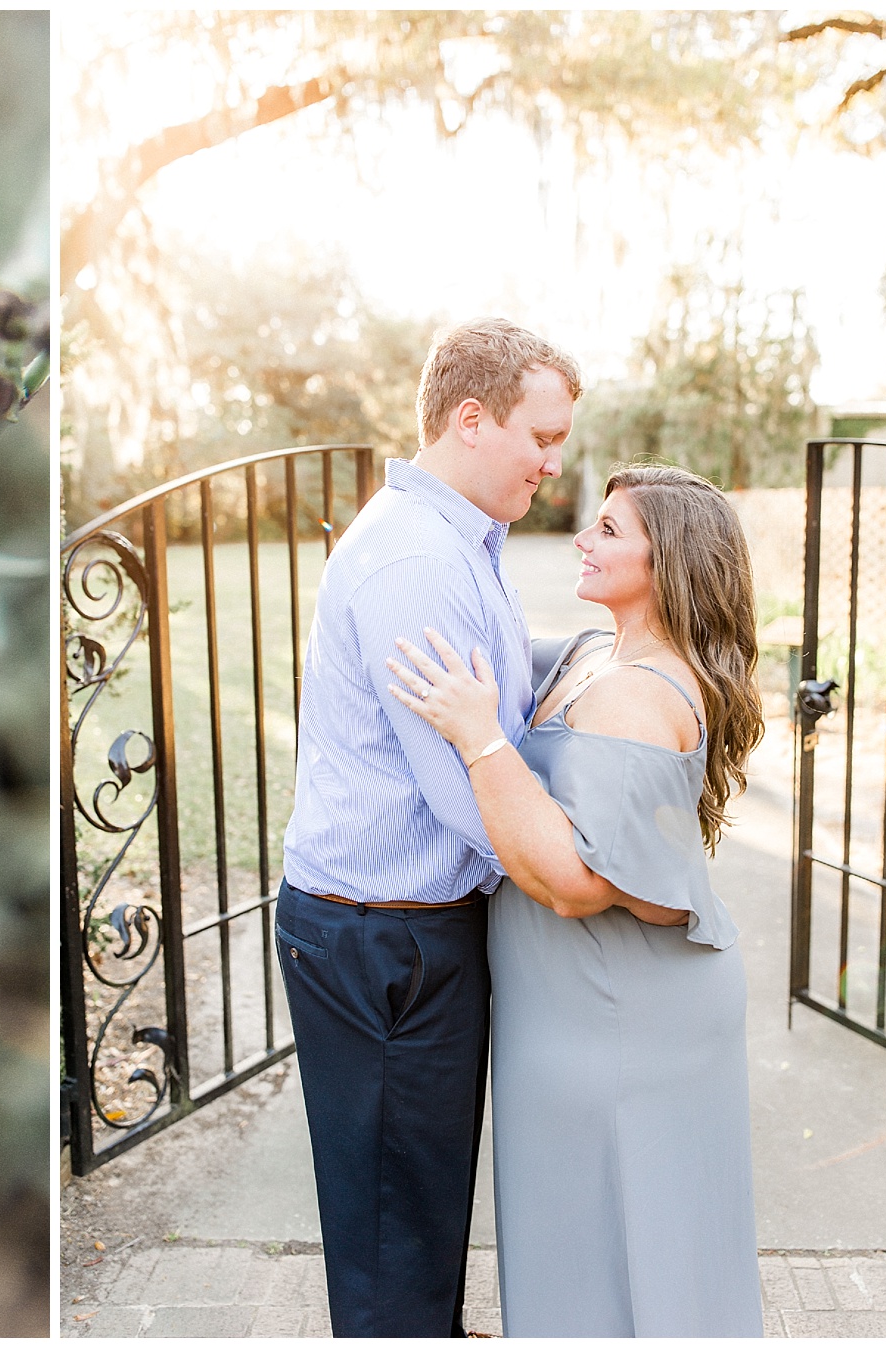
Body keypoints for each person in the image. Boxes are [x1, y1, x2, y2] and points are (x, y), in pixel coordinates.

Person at [387, 463, 765, 1337]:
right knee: (578, 1235)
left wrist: (479, 737)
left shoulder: (639, 692)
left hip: (620, 1022)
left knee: (624, 1242)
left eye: (607, 530)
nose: (580, 540)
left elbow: (573, 882)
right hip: (575, 1012)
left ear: (666, 560)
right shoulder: (601, 652)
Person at [276, 317, 580, 1336]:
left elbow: (503, 674)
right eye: (542, 435)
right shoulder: (413, 559)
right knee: (390, 1226)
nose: (553, 459)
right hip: (381, 941)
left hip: (408, 931)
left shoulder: (458, 543)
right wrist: (579, 877)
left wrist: (603, 656)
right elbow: (467, 793)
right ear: (470, 418)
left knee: (420, 1199)